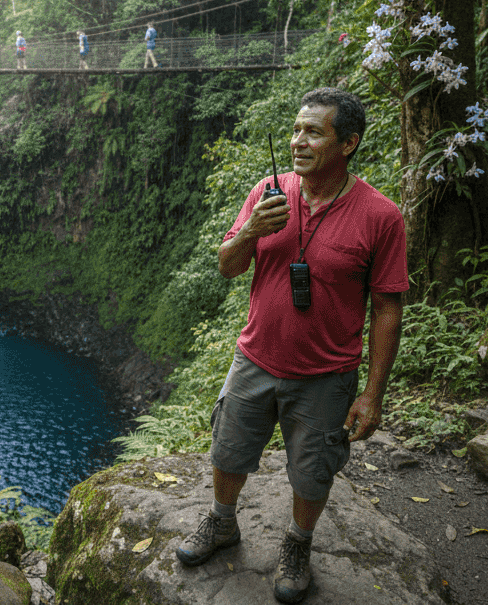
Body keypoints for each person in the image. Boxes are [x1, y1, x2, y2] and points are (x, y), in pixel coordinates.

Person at [176, 88, 407, 603]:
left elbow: (388, 307)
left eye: (313, 132)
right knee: (228, 449)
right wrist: (251, 231)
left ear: (347, 143)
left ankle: (298, 543)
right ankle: (221, 522)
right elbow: (228, 265)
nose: (298, 141)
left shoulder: (380, 216)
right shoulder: (269, 191)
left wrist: (372, 393)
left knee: (312, 470)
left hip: (327, 374)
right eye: (296, 130)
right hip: (255, 357)